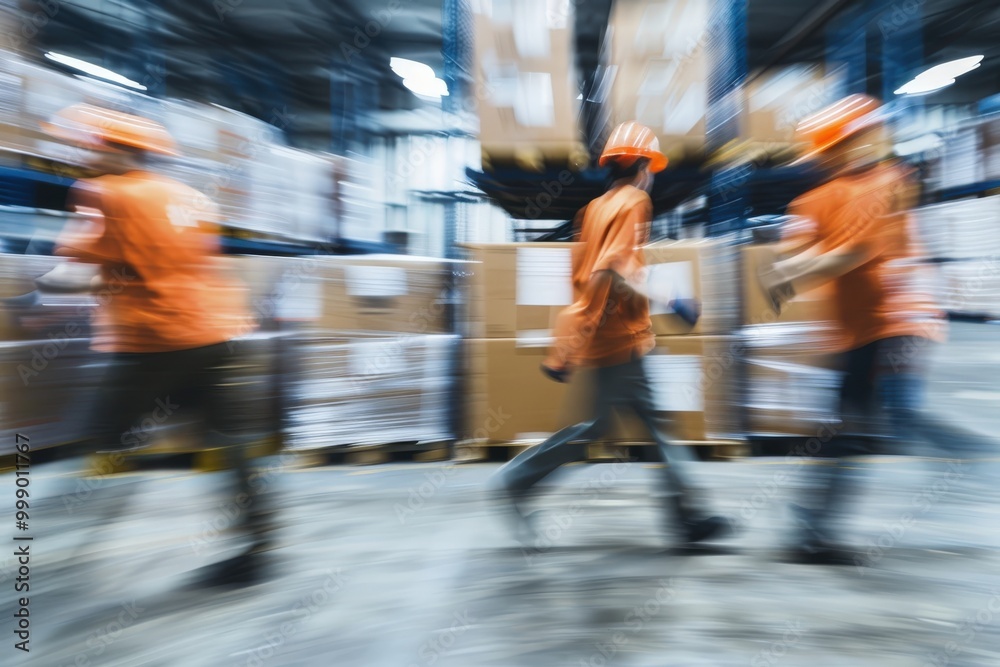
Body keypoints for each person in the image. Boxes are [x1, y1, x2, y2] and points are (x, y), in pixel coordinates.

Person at [39, 103, 275, 586]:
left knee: (104, 440)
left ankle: (44, 561)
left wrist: (44, 287)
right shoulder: (191, 198)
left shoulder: (104, 194)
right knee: (231, 444)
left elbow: (73, 273)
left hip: (155, 343)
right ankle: (257, 549)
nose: (82, 154)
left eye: (90, 145)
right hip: (223, 335)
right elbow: (168, 264)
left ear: (115, 150)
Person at [759, 94, 993, 564]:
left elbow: (853, 253)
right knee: (860, 424)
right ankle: (812, 530)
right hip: (855, 331)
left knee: (871, 423)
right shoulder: (819, 197)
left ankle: (813, 531)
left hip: (897, 321)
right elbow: (800, 245)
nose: (853, 150)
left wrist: (788, 275)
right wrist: (786, 270)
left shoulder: (889, 183)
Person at [492, 121, 731, 547]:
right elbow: (618, 268)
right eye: (652, 167)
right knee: (635, 426)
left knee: (604, 426)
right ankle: (516, 482)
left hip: (604, 332)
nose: (653, 176)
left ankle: (687, 517)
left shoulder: (595, 208)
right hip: (621, 337)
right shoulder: (636, 201)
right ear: (641, 166)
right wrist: (673, 298)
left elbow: (587, 273)